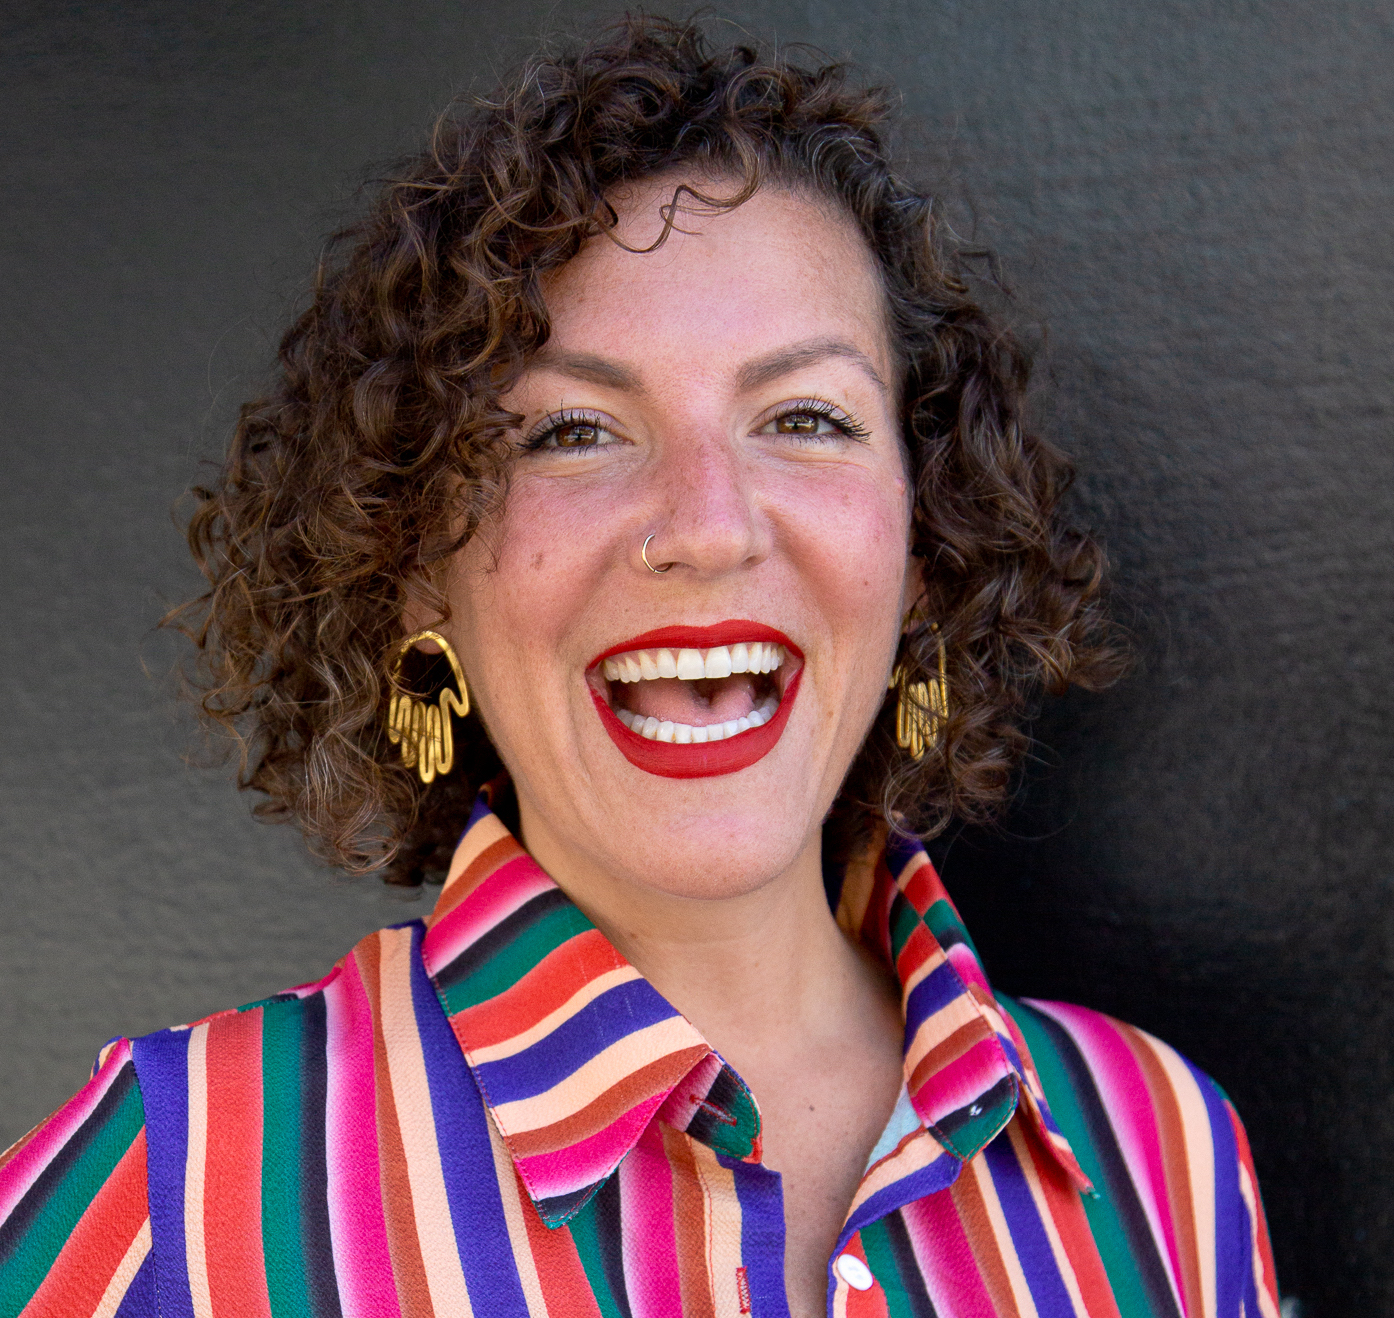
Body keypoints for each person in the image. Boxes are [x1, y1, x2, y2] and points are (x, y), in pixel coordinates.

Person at [0, 17, 1279, 1317]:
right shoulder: (178, 1190)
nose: (709, 527)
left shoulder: (1162, 1156)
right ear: (414, 565)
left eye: (805, 416)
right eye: (574, 430)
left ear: (922, 538)